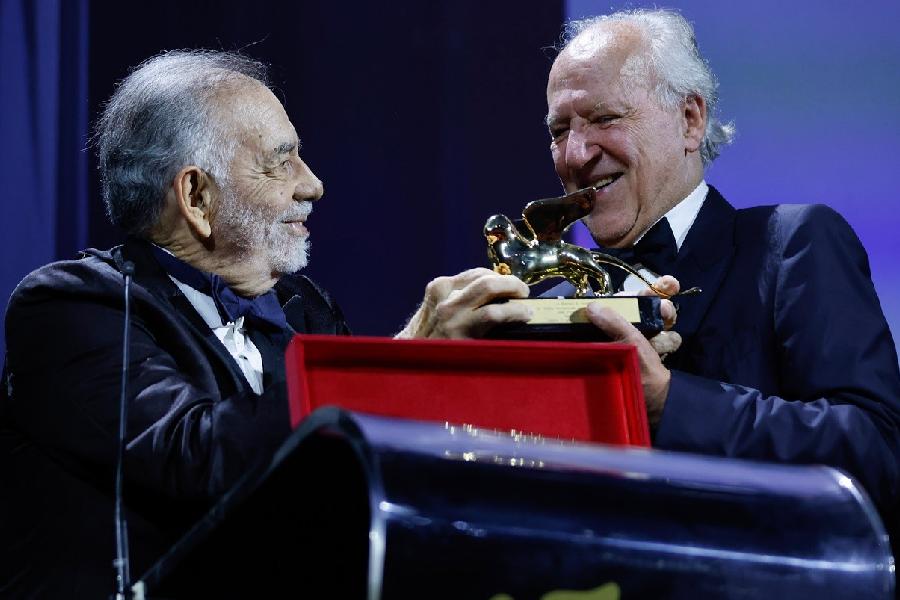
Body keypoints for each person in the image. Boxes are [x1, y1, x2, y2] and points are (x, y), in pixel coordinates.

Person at [0, 50, 531, 599]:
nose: (313, 185)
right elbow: (197, 457)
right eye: (281, 162)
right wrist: (409, 355)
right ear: (196, 196)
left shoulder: (306, 308)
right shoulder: (70, 307)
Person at [542, 7, 900, 554]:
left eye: (605, 118)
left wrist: (670, 401)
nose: (575, 154)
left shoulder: (791, 245)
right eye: (560, 129)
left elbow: (875, 451)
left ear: (690, 119)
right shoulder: (549, 305)